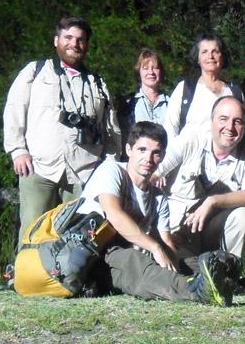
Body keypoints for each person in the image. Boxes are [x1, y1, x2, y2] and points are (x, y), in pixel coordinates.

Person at [77, 121, 235, 305]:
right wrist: (155, 248)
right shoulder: (111, 170)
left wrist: (175, 264)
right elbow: (115, 215)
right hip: (94, 252)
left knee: (184, 260)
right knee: (135, 261)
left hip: (126, 253)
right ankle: (195, 291)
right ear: (129, 150)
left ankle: (224, 279)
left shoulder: (158, 197)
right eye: (142, 150)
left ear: (163, 156)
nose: (148, 159)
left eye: (156, 153)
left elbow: (166, 242)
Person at [3, 15, 121, 247]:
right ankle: (24, 270)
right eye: (68, 38)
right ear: (56, 40)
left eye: (80, 40)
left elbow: (112, 127)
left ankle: (68, 272)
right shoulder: (36, 71)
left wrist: (110, 164)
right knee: (32, 233)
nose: (74, 44)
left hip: (84, 172)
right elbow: (14, 109)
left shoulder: (97, 82)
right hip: (39, 167)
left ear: (86, 45)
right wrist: (17, 150)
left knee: (76, 239)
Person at [153, 96, 245, 274]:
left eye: (237, 121)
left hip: (212, 233)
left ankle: (229, 275)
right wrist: (162, 232)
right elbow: (152, 172)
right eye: (223, 119)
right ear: (211, 121)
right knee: (173, 270)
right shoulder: (189, 140)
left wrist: (212, 201)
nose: (230, 127)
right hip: (176, 231)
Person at [164, 33, 244, 140]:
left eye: (215, 51)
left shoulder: (234, 92)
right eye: (204, 52)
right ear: (198, 58)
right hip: (189, 150)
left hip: (226, 151)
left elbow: (244, 128)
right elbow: (170, 128)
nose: (210, 56)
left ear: (222, 57)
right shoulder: (185, 89)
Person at [118, 49, 170, 150]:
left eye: (155, 68)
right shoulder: (128, 104)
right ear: (139, 72)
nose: (151, 72)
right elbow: (122, 137)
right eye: (145, 68)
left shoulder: (172, 103)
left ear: (161, 71)